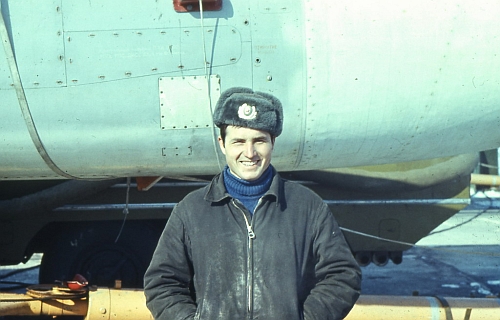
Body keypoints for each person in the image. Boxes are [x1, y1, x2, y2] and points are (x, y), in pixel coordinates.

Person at [144, 87, 361, 320]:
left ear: (273, 142)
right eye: (239, 141)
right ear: (222, 143)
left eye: (259, 140)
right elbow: (161, 283)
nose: (250, 153)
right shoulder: (191, 210)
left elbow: (342, 275)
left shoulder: (307, 207)